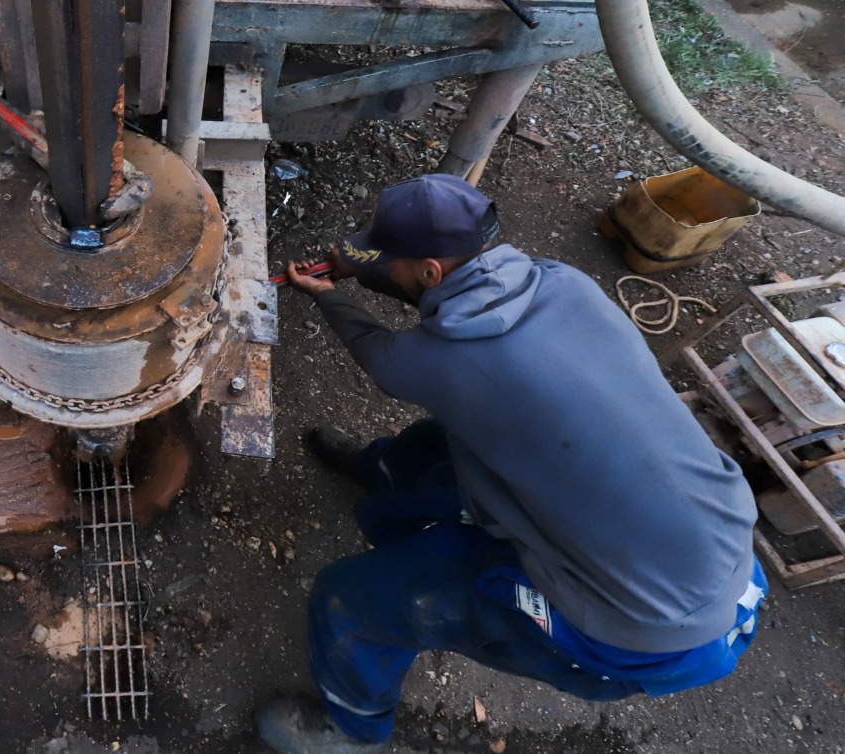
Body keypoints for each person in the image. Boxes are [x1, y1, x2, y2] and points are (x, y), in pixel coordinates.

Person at [259, 174, 764, 754]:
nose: (388, 268)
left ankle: (352, 731)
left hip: (638, 622)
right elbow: (440, 288)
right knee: (442, 438)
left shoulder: (438, 362)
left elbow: (381, 355)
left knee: (357, 598)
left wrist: (330, 294)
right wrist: (364, 265)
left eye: (394, 261)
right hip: (709, 535)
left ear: (428, 271)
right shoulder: (562, 282)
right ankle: (384, 476)